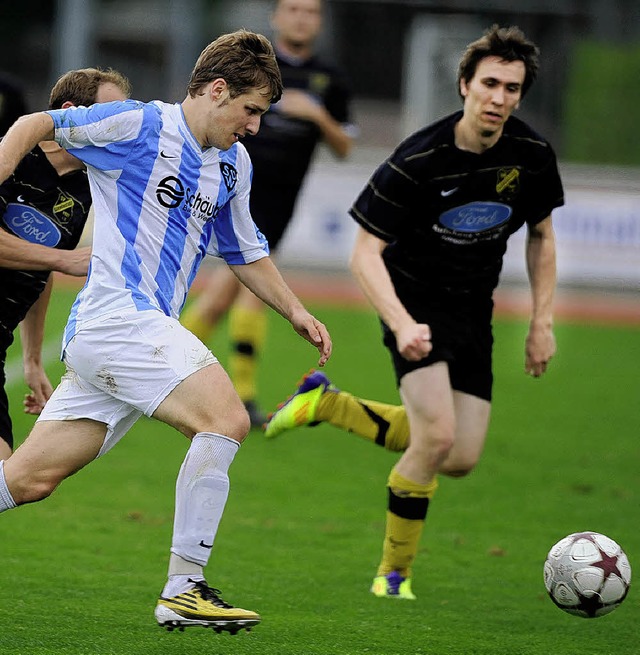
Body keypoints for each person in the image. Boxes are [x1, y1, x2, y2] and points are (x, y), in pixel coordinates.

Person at [0, 29, 331, 633]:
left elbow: (244, 250)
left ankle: (183, 589)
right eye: (251, 111)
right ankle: (185, 587)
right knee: (226, 420)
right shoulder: (136, 125)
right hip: (118, 318)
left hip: (125, 335)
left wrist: (295, 311)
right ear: (217, 89)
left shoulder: (234, 164)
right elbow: (31, 125)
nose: (255, 126)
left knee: (27, 479)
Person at [264, 25, 563, 600]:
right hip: (412, 302)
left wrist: (542, 321)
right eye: (490, 84)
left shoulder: (530, 154)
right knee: (436, 439)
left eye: (512, 88)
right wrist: (401, 323)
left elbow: (542, 236)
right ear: (465, 85)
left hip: (475, 310)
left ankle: (327, 404)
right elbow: (364, 253)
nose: (500, 98)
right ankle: (393, 574)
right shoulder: (419, 158)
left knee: (460, 457)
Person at [181, 0, 354, 426]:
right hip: (236, 191)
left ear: (319, 21)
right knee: (249, 287)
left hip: (282, 200)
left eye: (311, 11)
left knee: (222, 295)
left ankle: (168, 366)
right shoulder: (251, 72)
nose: (301, 17)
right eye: (293, 9)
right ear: (276, 17)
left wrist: (317, 113)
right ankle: (241, 393)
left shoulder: (329, 79)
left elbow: (345, 147)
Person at [0, 67, 132, 462]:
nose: (120, 129)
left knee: (8, 477)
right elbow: (61, 261)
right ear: (71, 113)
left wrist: (34, 359)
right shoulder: (11, 155)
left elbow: (40, 273)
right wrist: (65, 259)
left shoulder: (88, 188)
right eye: (110, 117)